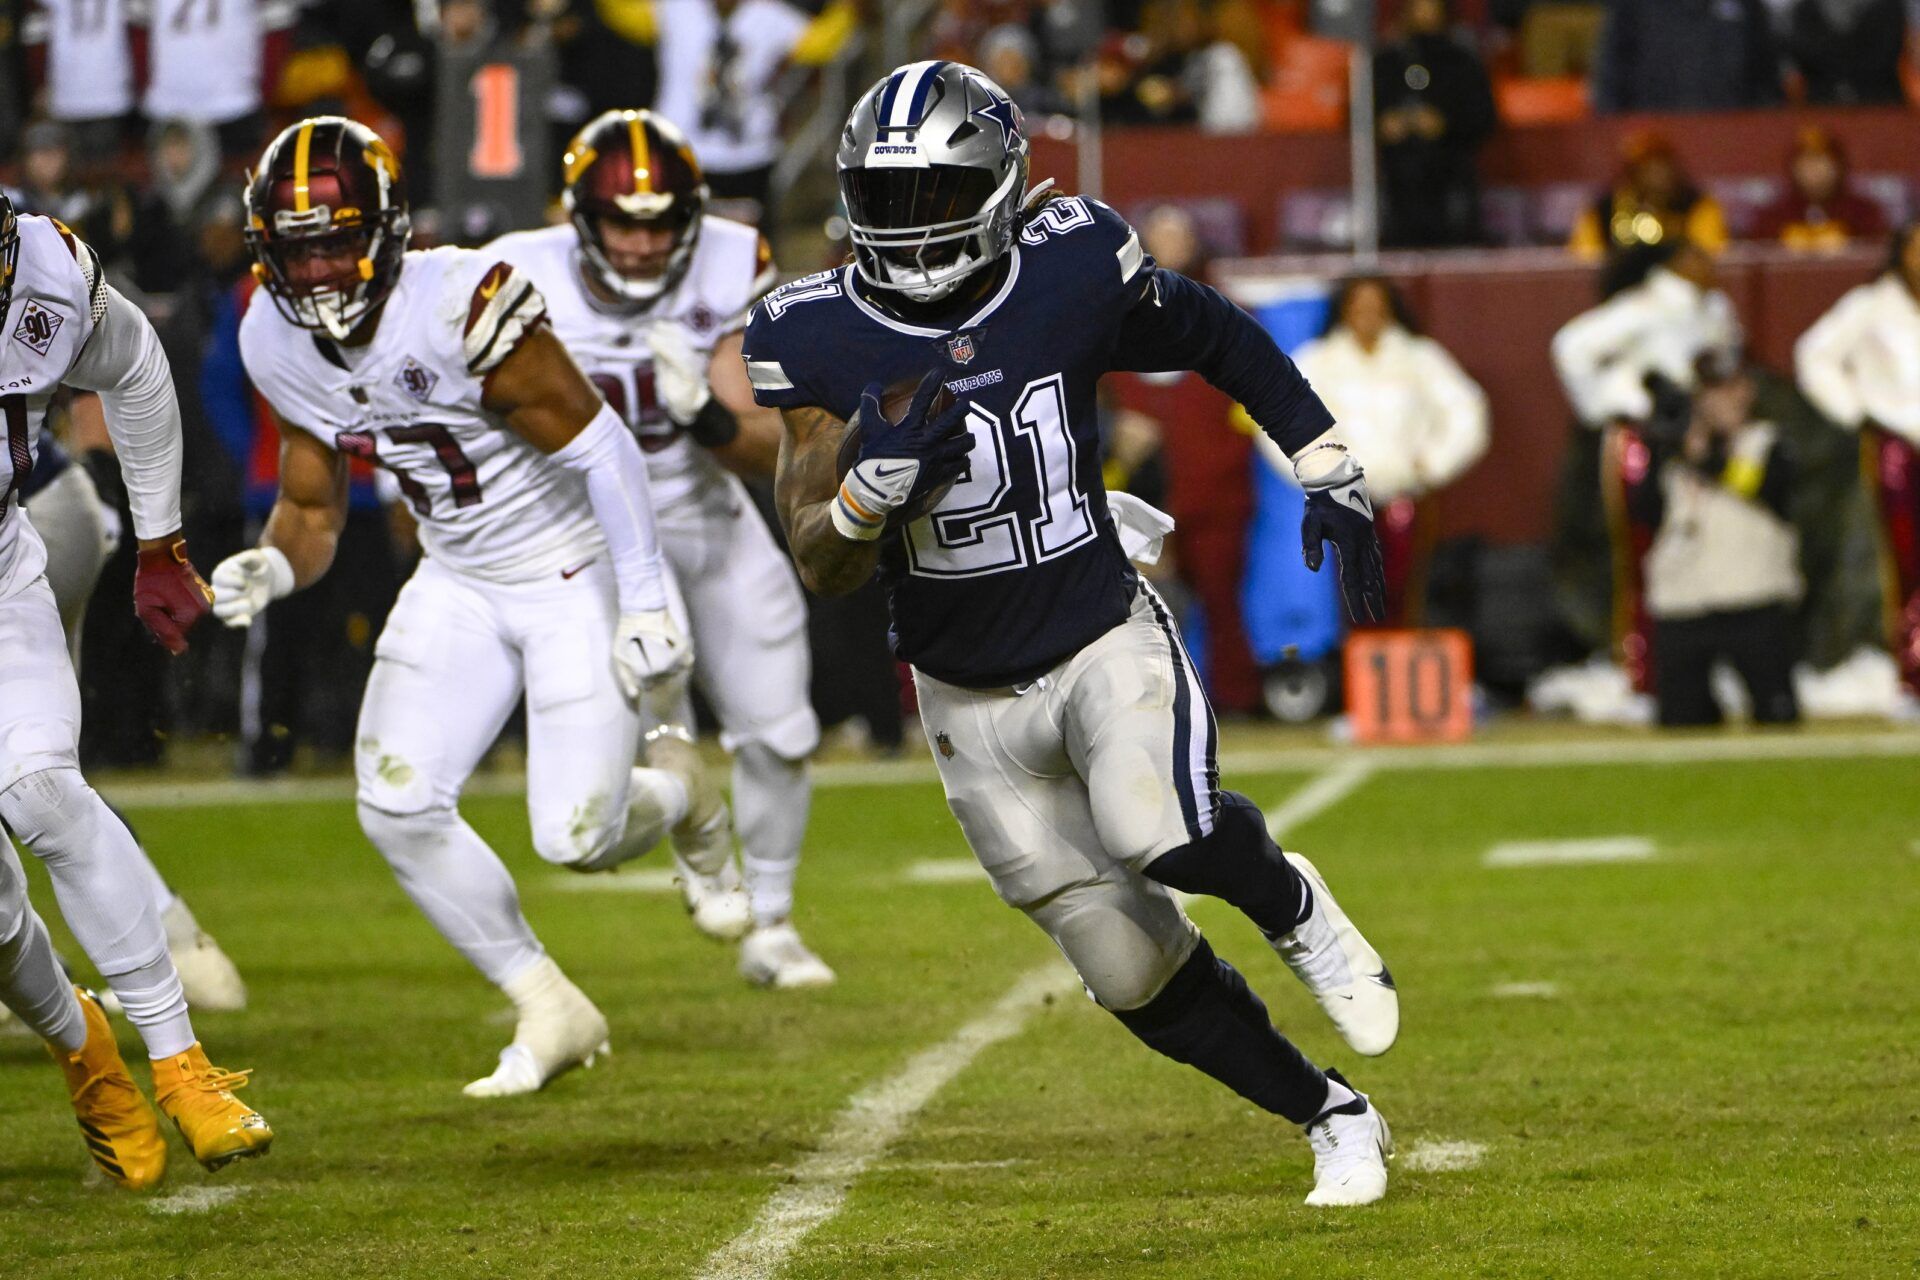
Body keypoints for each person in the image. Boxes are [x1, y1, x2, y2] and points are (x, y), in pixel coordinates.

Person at [743, 61, 1399, 1206]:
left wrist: (1324, 455)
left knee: (1164, 828)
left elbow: (1216, 334)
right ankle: (1332, 1113)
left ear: (998, 185)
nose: (908, 224)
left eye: (935, 192)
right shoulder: (817, 332)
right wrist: (863, 498)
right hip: (959, 691)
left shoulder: (1071, 264)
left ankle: (1294, 905)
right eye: (885, 197)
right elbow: (818, 556)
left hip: (1096, 628)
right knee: (1126, 964)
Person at [215, 117, 697, 1098]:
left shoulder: (457, 303)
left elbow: (601, 445)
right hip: (460, 574)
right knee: (394, 800)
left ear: (387, 230)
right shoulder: (270, 333)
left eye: (336, 241)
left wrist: (644, 597)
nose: (316, 272)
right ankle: (547, 997)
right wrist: (272, 566)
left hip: (571, 567)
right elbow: (311, 504)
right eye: (295, 249)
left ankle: (685, 786)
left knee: (578, 835)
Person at [487, 109, 832, 988]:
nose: (641, 245)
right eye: (621, 222)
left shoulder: (730, 258)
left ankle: (775, 922)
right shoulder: (518, 275)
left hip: (695, 500)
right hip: (583, 519)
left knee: (782, 720)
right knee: (655, 698)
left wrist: (708, 416)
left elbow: (770, 447)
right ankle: (701, 843)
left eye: (660, 223)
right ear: (579, 217)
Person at [0, 192, 272, 1187]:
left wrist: (160, 539)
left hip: (0, 574)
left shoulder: (42, 266)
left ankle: (182, 1063)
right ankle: (86, 1049)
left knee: (42, 787)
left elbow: (135, 366)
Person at [1550, 238, 1742, 695]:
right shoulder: (1645, 306)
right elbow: (1571, 347)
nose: (1708, 261)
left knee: (1707, 554)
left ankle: (1698, 669)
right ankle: (1642, 672)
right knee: (1644, 556)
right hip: (1646, 441)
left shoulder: (1714, 308)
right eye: (1695, 253)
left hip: (1700, 443)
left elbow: (1725, 363)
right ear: (1674, 261)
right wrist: (1613, 402)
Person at [1270, 276, 1489, 627]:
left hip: (1405, 497)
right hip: (1341, 499)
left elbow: (1467, 410)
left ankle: (1403, 662)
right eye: (1359, 306)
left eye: (1376, 306)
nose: (1368, 315)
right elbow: (1277, 419)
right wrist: (1318, 472)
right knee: (1348, 594)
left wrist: (1433, 464)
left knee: (1408, 590)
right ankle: (1353, 668)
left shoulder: (1419, 357)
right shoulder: (1318, 361)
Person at [1626, 354, 1802, 726]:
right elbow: (1644, 514)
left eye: (1729, 390)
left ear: (1747, 391)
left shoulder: (1766, 442)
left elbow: (1768, 488)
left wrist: (1707, 458)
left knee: (1777, 716)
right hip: (1683, 601)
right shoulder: (1670, 453)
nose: (1720, 401)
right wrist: (1664, 448)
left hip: (1754, 597)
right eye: (1710, 393)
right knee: (1681, 722)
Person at [1794, 223, 1920, 696]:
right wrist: (1857, 410)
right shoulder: (1871, 306)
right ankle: (1913, 676)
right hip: (1899, 447)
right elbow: (1813, 355)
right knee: (1906, 562)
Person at [1374, 0, 1498, 249]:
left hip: (1452, 181)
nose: (1425, 14)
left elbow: (1484, 117)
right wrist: (1383, 124)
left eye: (1431, 6)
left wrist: (1445, 124)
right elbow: (1357, 116)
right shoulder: (1384, 63)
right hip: (1396, 186)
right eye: (1418, 6)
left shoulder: (1463, 62)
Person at [1591, 0, 1782, 114]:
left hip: (1730, 137)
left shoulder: (1746, 5)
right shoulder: (1633, 6)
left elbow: (1767, 79)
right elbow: (1611, 79)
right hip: (1656, 140)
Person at [1569, 131, 1728, 259]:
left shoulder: (1696, 205)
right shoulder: (1602, 209)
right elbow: (1585, 261)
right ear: (1631, 173)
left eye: (1662, 166)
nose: (1657, 176)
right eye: (1647, 168)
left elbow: (1708, 254)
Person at [1752, 125, 1887, 254]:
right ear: (1793, 168)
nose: (1814, 169)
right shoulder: (1772, 216)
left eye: (1822, 161)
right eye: (1806, 162)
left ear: (1839, 166)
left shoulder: (1864, 214)